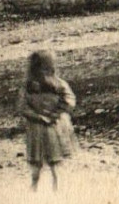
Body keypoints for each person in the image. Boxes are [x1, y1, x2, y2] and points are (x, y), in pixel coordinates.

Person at [19, 50, 77, 191]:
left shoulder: (29, 86)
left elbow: (22, 107)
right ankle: (53, 190)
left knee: (41, 163)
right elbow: (69, 101)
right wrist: (54, 114)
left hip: (41, 127)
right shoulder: (58, 84)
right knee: (53, 162)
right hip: (53, 126)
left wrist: (40, 116)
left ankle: (36, 189)